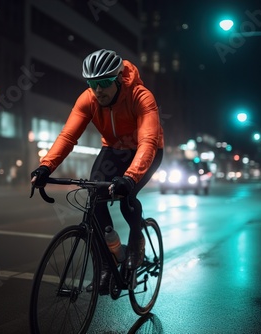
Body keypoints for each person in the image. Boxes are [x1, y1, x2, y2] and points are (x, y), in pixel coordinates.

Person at [30, 49, 164, 294]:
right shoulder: (88, 99)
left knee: (127, 199)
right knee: (96, 200)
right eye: (92, 84)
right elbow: (68, 136)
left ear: (117, 79)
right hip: (113, 150)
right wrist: (46, 166)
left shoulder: (141, 97)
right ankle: (106, 263)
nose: (98, 90)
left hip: (146, 149)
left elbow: (147, 141)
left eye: (103, 83)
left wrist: (129, 178)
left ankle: (136, 241)